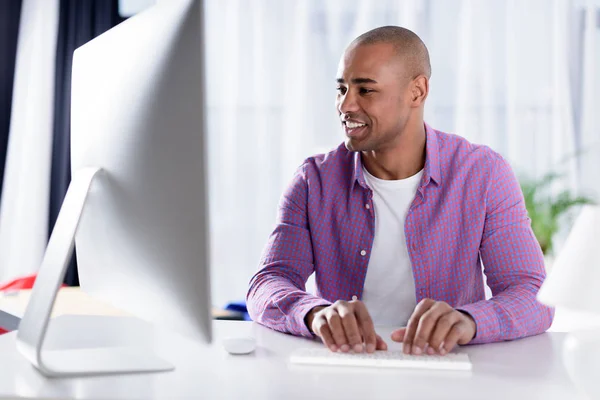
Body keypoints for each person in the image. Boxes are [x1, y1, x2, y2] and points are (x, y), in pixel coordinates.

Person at [246, 26, 554, 356]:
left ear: (417, 92)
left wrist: (468, 320)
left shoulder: (483, 174)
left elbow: (533, 293)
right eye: (342, 89)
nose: (345, 105)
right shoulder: (313, 181)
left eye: (365, 90)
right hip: (343, 368)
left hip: (449, 369)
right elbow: (269, 282)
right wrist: (313, 313)